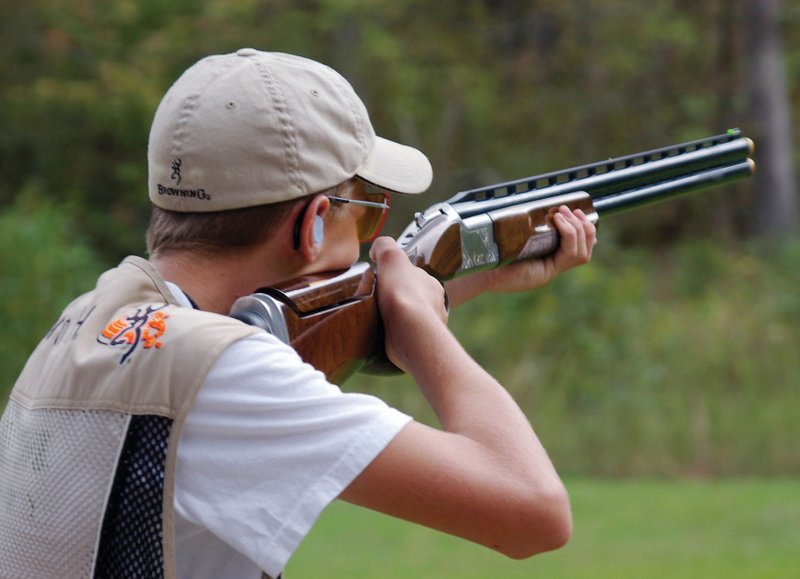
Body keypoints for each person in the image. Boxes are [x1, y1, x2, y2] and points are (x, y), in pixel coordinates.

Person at [0, 49, 596, 578]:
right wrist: (421, 330)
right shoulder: (224, 374)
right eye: (367, 214)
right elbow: (534, 512)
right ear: (311, 223)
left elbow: (313, 333)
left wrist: (470, 278)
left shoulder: (97, 321)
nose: (368, 241)